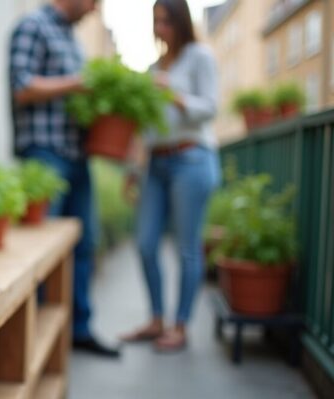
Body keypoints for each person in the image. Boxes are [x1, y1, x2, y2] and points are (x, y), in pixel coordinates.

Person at [9, 0, 119, 358]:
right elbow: (21, 86)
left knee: (83, 243)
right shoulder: (33, 26)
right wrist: (75, 83)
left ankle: (79, 329)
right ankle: (30, 331)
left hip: (76, 153)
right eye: (92, 3)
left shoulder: (73, 39)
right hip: (44, 153)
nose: (93, 10)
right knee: (39, 247)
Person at [121, 0, 221, 352]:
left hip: (192, 159)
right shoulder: (152, 68)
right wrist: (133, 170)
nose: (160, 28)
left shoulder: (200, 57)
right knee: (146, 243)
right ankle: (156, 319)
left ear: (180, 21)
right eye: (156, 21)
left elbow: (210, 107)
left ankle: (180, 326)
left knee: (186, 247)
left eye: (166, 21)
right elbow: (147, 128)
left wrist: (175, 96)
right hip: (157, 164)